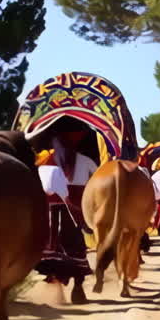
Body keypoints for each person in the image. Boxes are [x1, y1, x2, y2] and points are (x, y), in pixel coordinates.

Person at [35, 125, 100, 304]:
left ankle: (55, 290)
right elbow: (98, 182)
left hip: (52, 217)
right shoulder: (86, 161)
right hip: (74, 213)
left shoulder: (44, 163)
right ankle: (77, 290)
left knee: (53, 251)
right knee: (77, 250)